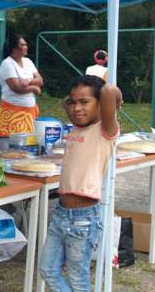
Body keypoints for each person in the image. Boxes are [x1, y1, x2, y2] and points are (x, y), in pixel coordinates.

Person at [40, 75, 121, 292]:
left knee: (78, 278)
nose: (77, 108)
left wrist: (113, 101)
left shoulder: (105, 130)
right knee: (47, 270)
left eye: (85, 102)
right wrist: (73, 102)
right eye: (74, 102)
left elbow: (109, 92)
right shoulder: (76, 128)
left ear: (101, 105)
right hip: (61, 214)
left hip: (83, 219)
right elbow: (65, 103)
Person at [0, 35, 43, 136]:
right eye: (22, 45)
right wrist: (34, 88)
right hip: (12, 111)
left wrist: (28, 81)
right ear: (14, 48)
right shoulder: (7, 64)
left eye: (26, 44)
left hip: (29, 111)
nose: (26, 47)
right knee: (10, 145)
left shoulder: (28, 61)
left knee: (28, 144)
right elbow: (17, 88)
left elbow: (40, 80)